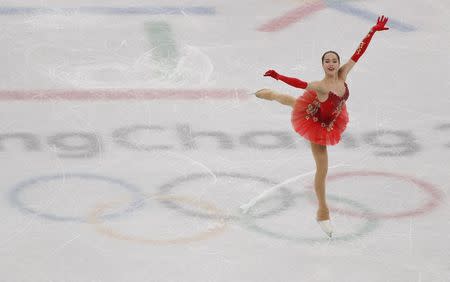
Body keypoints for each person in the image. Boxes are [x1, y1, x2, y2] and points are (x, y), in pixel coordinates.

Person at [255, 16, 389, 237]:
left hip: (331, 116)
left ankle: (272, 95)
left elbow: (358, 53)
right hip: (315, 121)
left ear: (338, 63)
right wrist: (278, 76)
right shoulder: (320, 85)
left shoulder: (343, 74)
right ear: (323, 64)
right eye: (327, 61)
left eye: (334, 60)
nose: (331, 63)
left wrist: (372, 31)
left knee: (291, 101)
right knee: (322, 169)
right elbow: (299, 83)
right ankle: (322, 211)